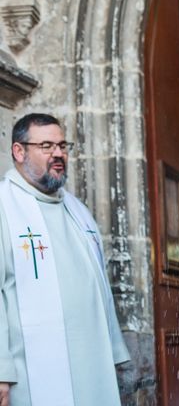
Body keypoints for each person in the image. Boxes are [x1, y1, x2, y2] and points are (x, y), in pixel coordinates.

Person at [0, 114, 130, 406]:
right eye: (46, 146)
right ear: (18, 151)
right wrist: (2, 370)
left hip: (92, 365)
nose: (58, 154)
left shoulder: (77, 209)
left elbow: (99, 286)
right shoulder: (4, 207)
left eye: (62, 145)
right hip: (31, 373)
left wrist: (115, 351)